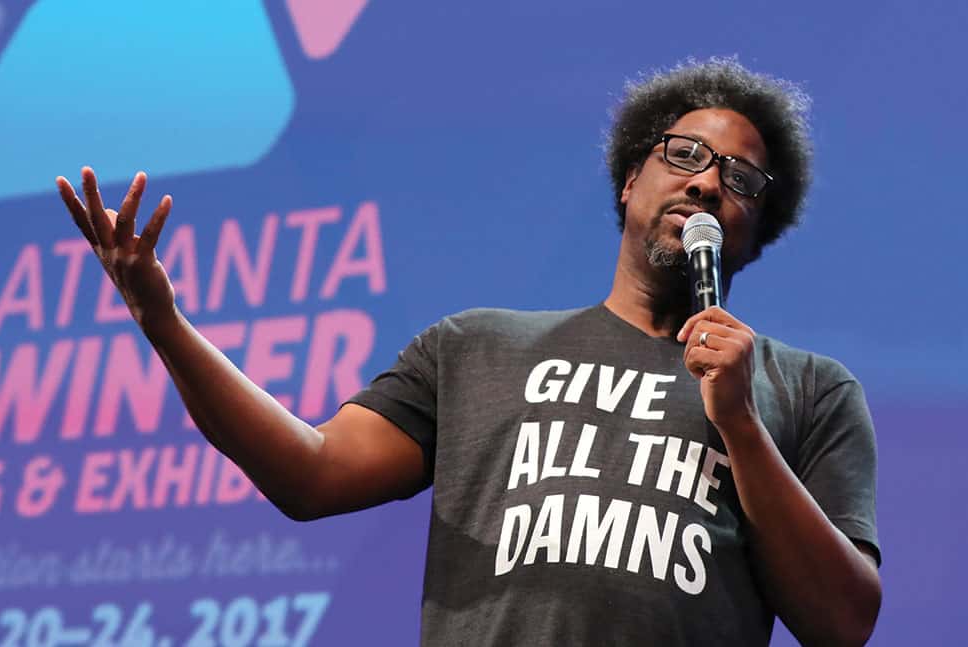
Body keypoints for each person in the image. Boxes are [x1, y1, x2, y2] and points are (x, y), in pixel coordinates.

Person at [57, 58, 880, 646]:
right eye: (685, 154)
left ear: (755, 231)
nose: (706, 183)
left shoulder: (806, 390)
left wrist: (738, 422)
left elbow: (843, 621)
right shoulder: (476, 349)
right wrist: (164, 323)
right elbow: (308, 473)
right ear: (631, 180)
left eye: (739, 178)